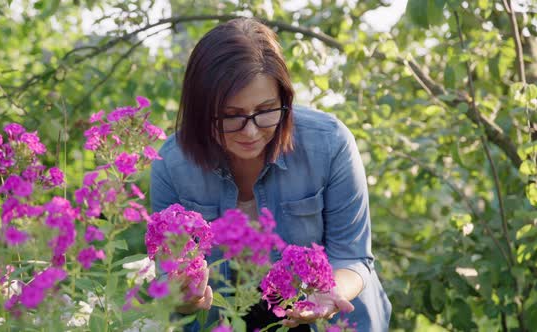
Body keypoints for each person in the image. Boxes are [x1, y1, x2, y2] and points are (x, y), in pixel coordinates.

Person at [150, 17, 392, 331]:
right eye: (231, 116)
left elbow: (354, 257)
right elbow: (170, 276)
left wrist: (329, 296)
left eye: (266, 110)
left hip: (330, 320)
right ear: (201, 112)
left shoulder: (330, 143)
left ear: (284, 99)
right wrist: (184, 297)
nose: (251, 131)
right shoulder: (171, 164)